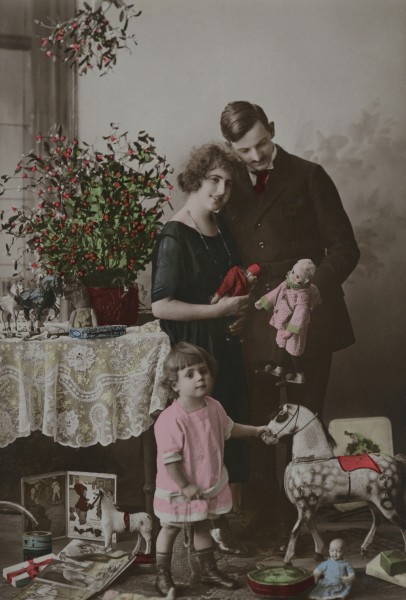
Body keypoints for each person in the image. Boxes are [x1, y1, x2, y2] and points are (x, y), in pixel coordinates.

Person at [219, 101, 360, 541]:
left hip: (309, 317)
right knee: (261, 418)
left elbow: (345, 248)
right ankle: (266, 514)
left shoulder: (309, 175)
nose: (256, 156)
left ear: (273, 129)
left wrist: (317, 287)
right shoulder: (226, 185)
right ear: (230, 148)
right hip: (257, 317)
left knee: (308, 418)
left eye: (262, 143)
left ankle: (306, 513)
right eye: (245, 150)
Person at [151, 143, 251, 552]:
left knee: (224, 429)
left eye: (229, 183)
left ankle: (223, 523)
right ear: (196, 179)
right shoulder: (175, 235)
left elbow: (231, 284)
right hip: (194, 353)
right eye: (214, 180)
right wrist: (218, 312)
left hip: (226, 345)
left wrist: (238, 314)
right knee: (198, 440)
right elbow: (160, 305)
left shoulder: (221, 225)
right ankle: (199, 529)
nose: (221, 191)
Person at [153, 342, 270, 596]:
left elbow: (230, 429)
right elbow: (170, 460)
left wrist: (256, 431)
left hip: (205, 482)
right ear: (174, 385)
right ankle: (162, 575)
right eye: (190, 374)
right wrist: (185, 485)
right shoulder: (171, 419)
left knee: (202, 523)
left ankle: (208, 570)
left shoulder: (214, 406)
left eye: (203, 371)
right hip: (179, 486)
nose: (200, 378)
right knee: (170, 527)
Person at [255, 258, 320, 384]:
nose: (292, 275)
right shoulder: (289, 282)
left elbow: (300, 313)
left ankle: (300, 375)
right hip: (282, 320)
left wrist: (291, 331)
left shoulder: (303, 295)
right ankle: (279, 368)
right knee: (280, 344)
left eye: (297, 276)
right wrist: (263, 301)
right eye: (293, 271)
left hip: (294, 327)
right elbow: (277, 291)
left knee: (294, 350)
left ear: (306, 280)